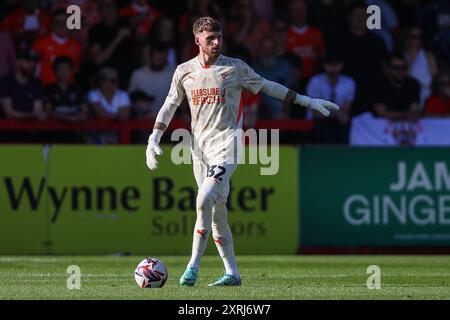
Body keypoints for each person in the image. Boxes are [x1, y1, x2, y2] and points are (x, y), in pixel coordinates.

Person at [145, 17, 338, 287]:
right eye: (210, 38)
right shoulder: (184, 71)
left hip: (229, 144)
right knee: (216, 210)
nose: (216, 42)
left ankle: (192, 267)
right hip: (199, 149)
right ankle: (232, 273)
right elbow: (170, 104)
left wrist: (308, 101)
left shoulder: (234, 68)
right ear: (197, 40)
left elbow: (269, 87)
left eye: (219, 37)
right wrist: (154, 137)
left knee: (203, 199)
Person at [306, 53, 355, 144]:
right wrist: (336, 114)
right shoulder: (315, 81)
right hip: (317, 123)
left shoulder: (349, 82)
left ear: (341, 65)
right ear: (324, 65)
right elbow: (316, 112)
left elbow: (346, 108)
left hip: (339, 124)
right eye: (329, 65)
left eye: (336, 65)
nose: (332, 68)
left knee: (346, 121)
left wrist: (338, 114)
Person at [32, 8, 82, 86]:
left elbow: (76, 69)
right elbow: (33, 69)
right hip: (46, 87)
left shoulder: (76, 46)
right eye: (58, 22)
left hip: (68, 89)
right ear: (52, 24)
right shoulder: (40, 43)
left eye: (64, 22)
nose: (61, 25)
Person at [372, 52, 421, 122]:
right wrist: (405, 114)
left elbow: (414, 112)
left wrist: (393, 114)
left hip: (406, 126)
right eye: (396, 68)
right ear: (389, 69)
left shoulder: (414, 85)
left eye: (404, 67)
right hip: (381, 127)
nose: (401, 71)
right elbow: (380, 113)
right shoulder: (379, 85)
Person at [0, 48, 45, 120]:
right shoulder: (5, 82)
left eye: (34, 61)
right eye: (28, 61)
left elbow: (38, 111)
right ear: (17, 62)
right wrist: (33, 115)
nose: (32, 65)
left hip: (32, 128)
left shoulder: (37, 83)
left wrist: (36, 115)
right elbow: (8, 112)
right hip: (8, 128)